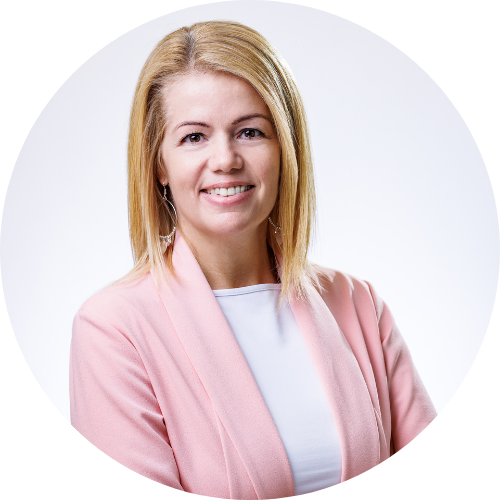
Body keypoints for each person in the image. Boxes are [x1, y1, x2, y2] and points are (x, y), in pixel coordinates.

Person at [70, 20, 437, 498]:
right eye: (194, 137)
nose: (225, 159)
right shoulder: (113, 331)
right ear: (159, 164)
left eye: (250, 131)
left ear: (285, 149)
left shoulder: (357, 304)